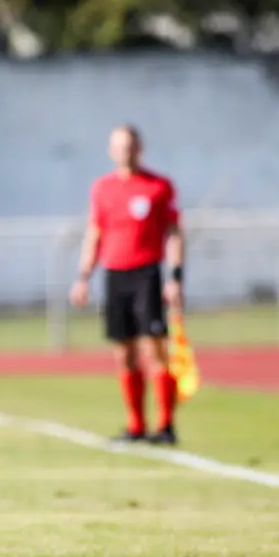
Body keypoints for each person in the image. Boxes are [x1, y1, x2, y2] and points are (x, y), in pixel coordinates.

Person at [68, 125, 185, 445]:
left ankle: (166, 426)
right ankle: (136, 426)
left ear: (139, 149)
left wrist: (175, 277)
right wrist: (83, 277)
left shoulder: (158, 186)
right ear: (111, 151)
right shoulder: (102, 188)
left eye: (130, 146)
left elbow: (174, 233)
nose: (126, 153)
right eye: (120, 147)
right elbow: (95, 233)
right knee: (124, 353)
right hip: (115, 275)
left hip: (147, 274)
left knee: (155, 348)